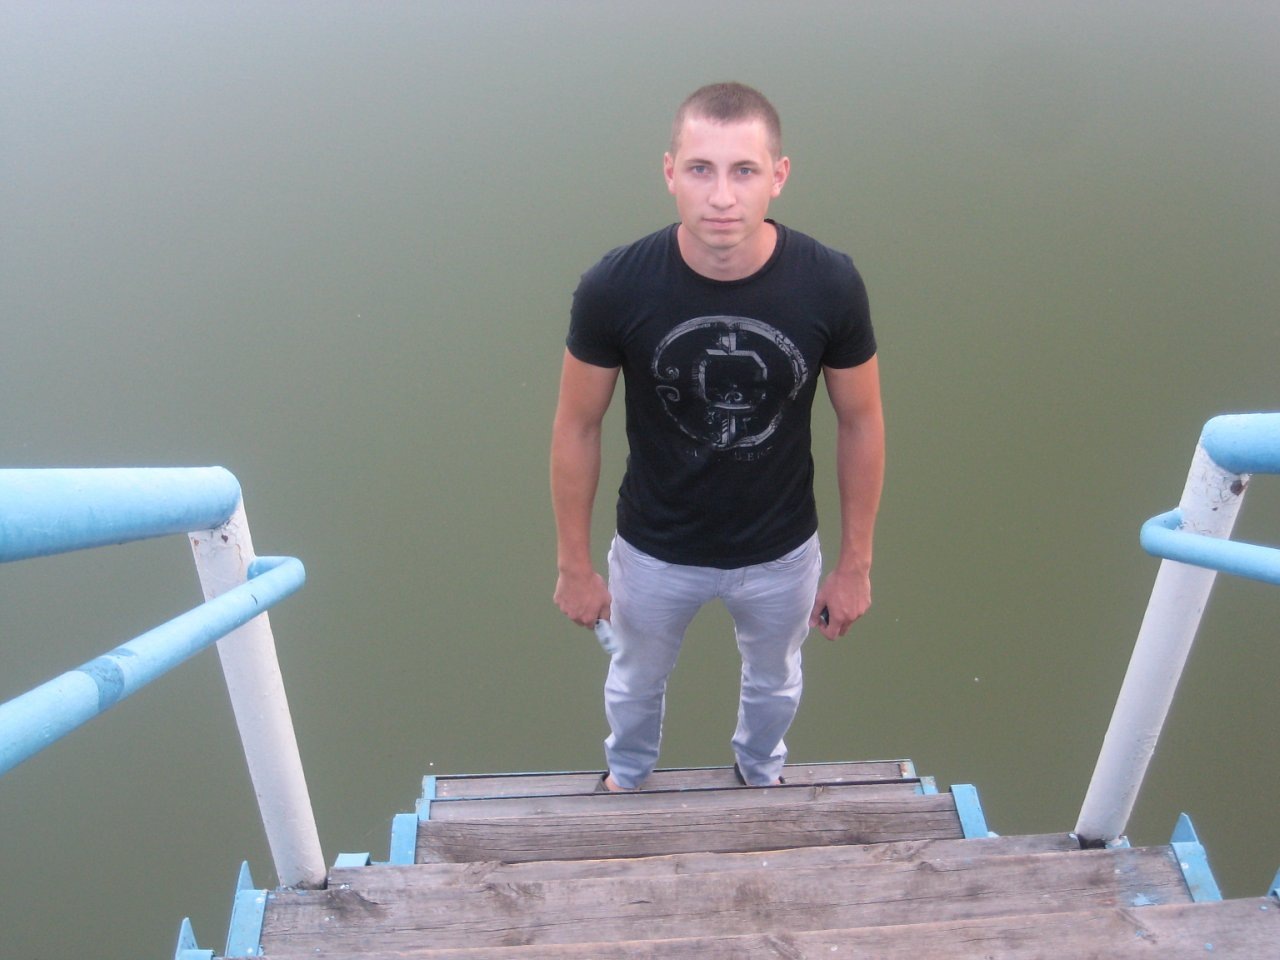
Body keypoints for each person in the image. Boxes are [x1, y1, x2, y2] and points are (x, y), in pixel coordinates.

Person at [550, 82, 884, 791]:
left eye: (744, 171)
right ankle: (626, 780)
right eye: (701, 169)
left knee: (775, 679)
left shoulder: (829, 284)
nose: (722, 197)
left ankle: (760, 776)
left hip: (781, 550)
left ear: (779, 176)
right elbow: (577, 425)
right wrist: (574, 564)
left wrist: (855, 563)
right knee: (634, 679)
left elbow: (861, 421)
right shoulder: (614, 287)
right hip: (654, 547)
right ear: (669, 172)